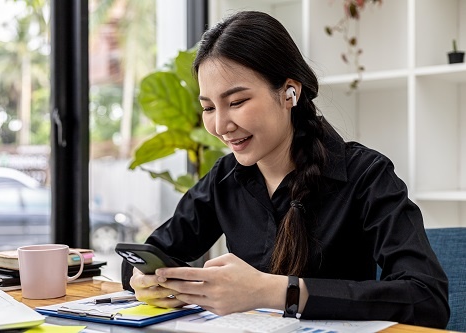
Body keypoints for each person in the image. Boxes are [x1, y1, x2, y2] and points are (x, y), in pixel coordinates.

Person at [122, 10, 449, 328]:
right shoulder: (225, 178)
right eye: (208, 107)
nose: (220, 125)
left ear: (290, 92)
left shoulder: (366, 175)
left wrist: (275, 292)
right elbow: (149, 254)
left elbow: (426, 300)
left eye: (236, 102)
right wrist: (144, 278)